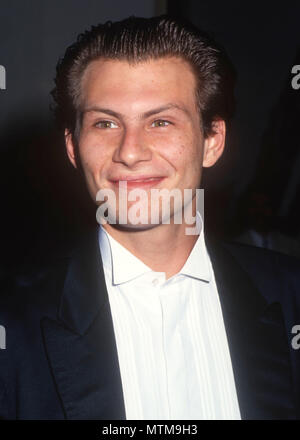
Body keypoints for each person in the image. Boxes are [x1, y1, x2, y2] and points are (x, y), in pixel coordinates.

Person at [1, 15, 300, 420]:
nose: (130, 151)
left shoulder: (291, 296)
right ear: (73, 148)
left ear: (212, 141)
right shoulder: (13, 325)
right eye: (105, 123)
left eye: (160, 122)